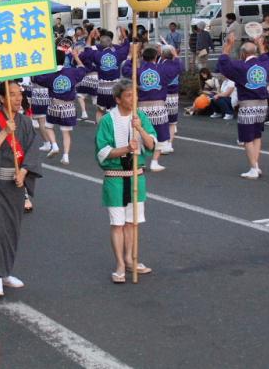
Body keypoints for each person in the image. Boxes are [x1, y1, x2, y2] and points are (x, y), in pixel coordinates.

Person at [0, 82, 41, 299]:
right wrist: (4, 132)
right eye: (11, 95)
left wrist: (25, 171)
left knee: (12, 229)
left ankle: (6, 272)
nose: (17, 98)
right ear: (1, 98)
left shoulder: (26, 122)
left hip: (16, 182)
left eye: (19, 94)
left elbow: (32, 149)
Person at [94, 79, 156, 284]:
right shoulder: (107, 120)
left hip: (137, 177)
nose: (133, 99)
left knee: (132, 223)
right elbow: (103, 152)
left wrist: (140, 129)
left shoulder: (141, 117)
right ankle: (120, 263)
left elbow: (151, 144)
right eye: (129, 95)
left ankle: (130, 258)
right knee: (117, 223)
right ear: (118, 99)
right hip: (115, 179)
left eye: (135, 95)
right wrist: (126, 150)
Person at [217, 34, 269, 179]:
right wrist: (261, 45)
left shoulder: (241, 67)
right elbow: (266, 57)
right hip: (262, 105)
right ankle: (256, 165)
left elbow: (223, 63)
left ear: (243, 53)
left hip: (248, 105)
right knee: (257, 136)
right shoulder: (264, 65)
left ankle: (253, 168)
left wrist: (228, 45)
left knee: (247, 138)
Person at [121, 45, 182, 171]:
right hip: (158, 107)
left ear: (143, 57)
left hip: (142, 108)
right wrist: (175, 55)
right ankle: (154, 162)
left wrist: (131, 55)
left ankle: (139, 161)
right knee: (160, 134)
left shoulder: (138, 71)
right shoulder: (163, 70)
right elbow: (179, 68)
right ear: (156, 57)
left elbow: (125, 69)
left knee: (139, 134)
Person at [32, 48, 86, 164]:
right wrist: (76, 56)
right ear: (65, 59)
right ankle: (66, 156)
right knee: (66, 133)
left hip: (54, 106)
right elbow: (82, 69)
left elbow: (37, 78)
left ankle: (54, 145)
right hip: (69, 107)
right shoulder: (72, 72)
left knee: (48, 126)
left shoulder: (50, 75)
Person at [88, 27, 130, 120]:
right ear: (111, 43)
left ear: (100, 44)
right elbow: (127, 46)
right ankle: (113, 131)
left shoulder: (97, 54)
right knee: (115, 112)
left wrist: (91, 37)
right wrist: (124, 34)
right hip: (115, 88)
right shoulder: (118, 53)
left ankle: (100, 132)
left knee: (100, 111)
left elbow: (87, 49)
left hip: (102, 88)